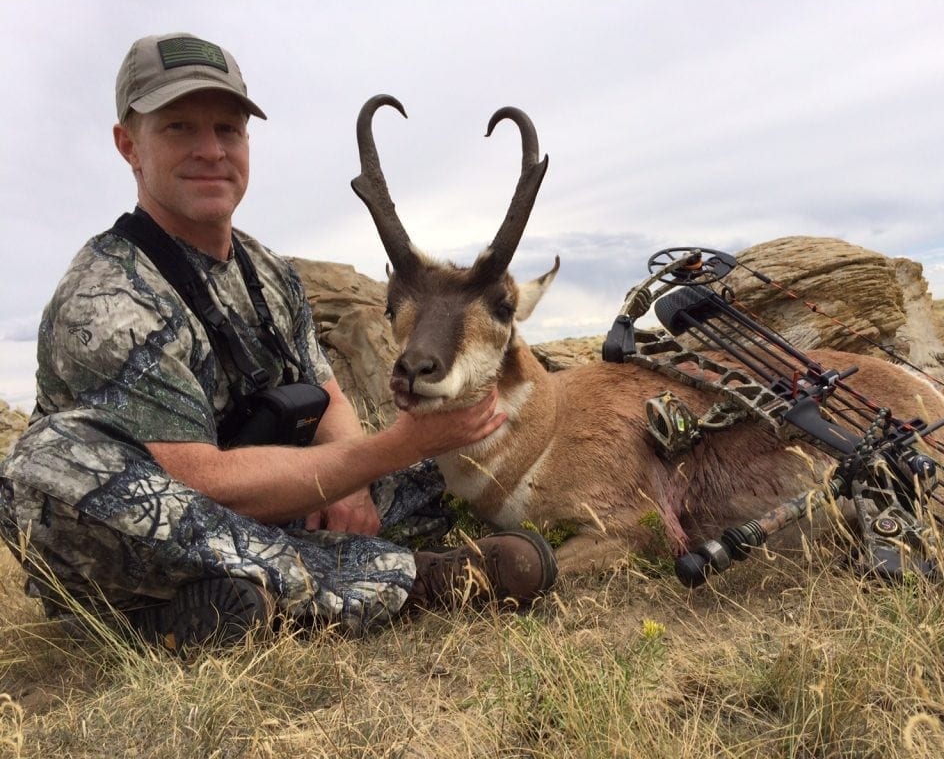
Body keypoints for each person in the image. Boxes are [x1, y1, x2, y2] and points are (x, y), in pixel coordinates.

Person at [0, 32, 556, 653]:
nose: (210, 150)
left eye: (228, 130)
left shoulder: (268, 273)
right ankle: (412, 578)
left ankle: (223, 607)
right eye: (179, 127)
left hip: (261, 499)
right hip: (160, 525)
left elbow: (328, 399)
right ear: (129, 145)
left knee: (424, 474)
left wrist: (352, 481)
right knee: (51, 466)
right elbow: (199, 482)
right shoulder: (107, 294)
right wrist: (383, 453)